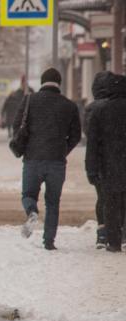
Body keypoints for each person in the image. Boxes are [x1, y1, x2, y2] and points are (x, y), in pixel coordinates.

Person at [13, 68, 81, 250]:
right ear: (59, 82)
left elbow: (17, 125)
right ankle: (49, 241)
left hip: (33, 159)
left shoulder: (29, 101)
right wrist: (62, 150)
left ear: (42, 82)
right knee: (53, 201)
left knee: (28, 194)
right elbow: (76, 135)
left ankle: (32, 211)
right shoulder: (69, 105)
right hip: (57, 161)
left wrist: (27, 146)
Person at [86, 72, 126, 252]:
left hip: (108, 166)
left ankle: (113, 241)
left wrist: (91, 169)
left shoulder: (100, 111)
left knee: (110, 202)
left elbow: (92, 143)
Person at [83, 71, 113, 248]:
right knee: (117, 197)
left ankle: (102, 232)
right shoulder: (118, 106)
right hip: (117, 159)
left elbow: (89, 136)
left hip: (99, 160)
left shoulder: (91, 109)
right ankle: (118, 231)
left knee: (102, 197)